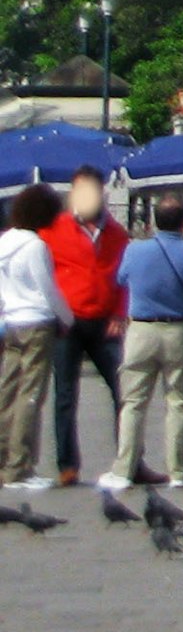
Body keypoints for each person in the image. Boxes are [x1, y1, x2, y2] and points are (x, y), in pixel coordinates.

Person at [106, 190, 183, 491]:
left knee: (133, 403)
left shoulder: (134, 250)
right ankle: (179, 471)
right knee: (180, 403)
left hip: (141, 330)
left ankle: (123, 469)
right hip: (179, 330)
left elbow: (120, 280)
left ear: (154, 220)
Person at [42, 166, 125, 486]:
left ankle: (128, 459)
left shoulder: (116, 233)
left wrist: (119, 313)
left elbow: (124, 278)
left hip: (105, 321)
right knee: (65, 395)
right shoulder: (54, 229)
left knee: (124, 393)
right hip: (68, 322)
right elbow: (44, 275)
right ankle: (67, 465)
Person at [0, 185, 65, 492]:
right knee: (31, 396)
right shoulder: (35, 246)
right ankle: (20, 466)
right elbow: (48, 288)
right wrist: (67, 319)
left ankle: (3, 461)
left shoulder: (5, 242)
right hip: (37, 322)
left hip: (11, 320)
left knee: (7, 393)